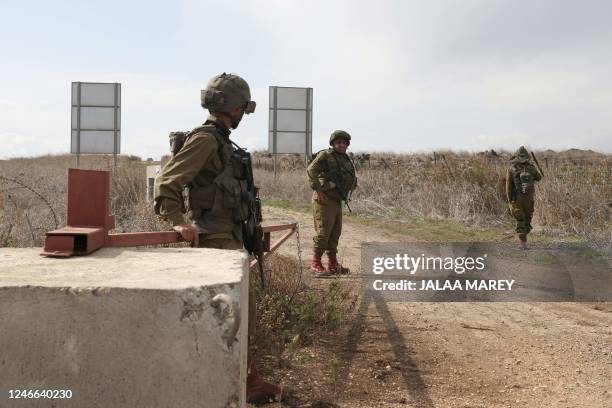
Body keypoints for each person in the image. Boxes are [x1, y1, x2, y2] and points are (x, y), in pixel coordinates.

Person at [153, 73, 280, 402]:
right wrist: (179, 222)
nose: (243, 115)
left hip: (230, 237)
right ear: (233, 107)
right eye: (243, 109)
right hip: (213, 240)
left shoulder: (223, 142)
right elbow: (167, 181)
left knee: (240, 314)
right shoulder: (207, 140)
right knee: (228, 316)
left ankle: (243, 377)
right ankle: (227, 383)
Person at [306, 130, 357, 276]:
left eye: (344, 143)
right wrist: (319, 190)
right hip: (324, 198)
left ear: (347, 145)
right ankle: (315, 263)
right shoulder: (326, 156)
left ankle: (333, 264)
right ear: (333, 144)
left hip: (336, 200)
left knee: (335, 233)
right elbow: (311, 170)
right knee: (324, 233)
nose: (341, 145)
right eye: (338, 142)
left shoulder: (345, 159)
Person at [505, 146, 542, 249]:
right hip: (529, 199)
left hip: (517, 199)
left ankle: (522, 243)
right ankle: (523, 241)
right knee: (527, 219)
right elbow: (539, 178)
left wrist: (509, 201)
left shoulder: (511, 168)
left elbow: (508, 187)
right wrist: (536, 168)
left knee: (520, 220)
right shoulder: (531, 168)